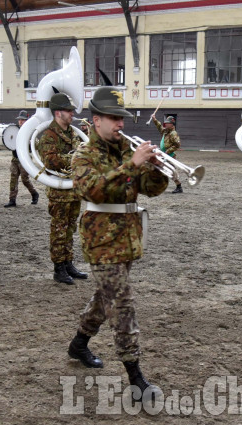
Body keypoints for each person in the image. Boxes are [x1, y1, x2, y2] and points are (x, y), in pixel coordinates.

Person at [67, 87, 168, 401]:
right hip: (100, 241)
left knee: (105, 297)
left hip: (127, 237)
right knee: (122, 303)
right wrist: (132, 165)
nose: (120, 124)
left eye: (121, 118)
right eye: (113, 118)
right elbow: (93, 190)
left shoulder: (127, 148)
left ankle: (79, 343)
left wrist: (159, 168)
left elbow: (149, 189)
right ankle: (136, 378)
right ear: (96, 121)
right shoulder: (83, 155)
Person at [36, 93, 88, 285]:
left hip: (73, 189)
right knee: (59, 229)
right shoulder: (49, 136)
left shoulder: (72, 133)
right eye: (68, 110)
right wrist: (77, 159)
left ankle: (68, 262)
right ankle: (58, 268)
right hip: (59, 191)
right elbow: (51, 161)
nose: (72, 113)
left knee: (70, 227)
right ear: (58, 113)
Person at [4, 110, 40, 208]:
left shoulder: (30, 131)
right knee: (13, 180)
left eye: (23, 120)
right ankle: (12, 200)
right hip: (15, 159)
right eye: (19, 120)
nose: (20, 122)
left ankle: (34, 193)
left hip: (25, 159)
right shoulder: (14, 130)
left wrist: (29, 142)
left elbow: (36, 144)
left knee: (25, 179)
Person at [151, 113, 183, 193]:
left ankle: (179, 186)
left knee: (171, 171)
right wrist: (154, 119)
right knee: (159, 169)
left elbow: (177, 145)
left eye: (167, 123)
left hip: (169, 156)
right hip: (164, 155)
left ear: (172, 124)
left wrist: (167, 151)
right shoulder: (166, 131)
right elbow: (159, 127)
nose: (165, 124)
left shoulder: (173, 133)